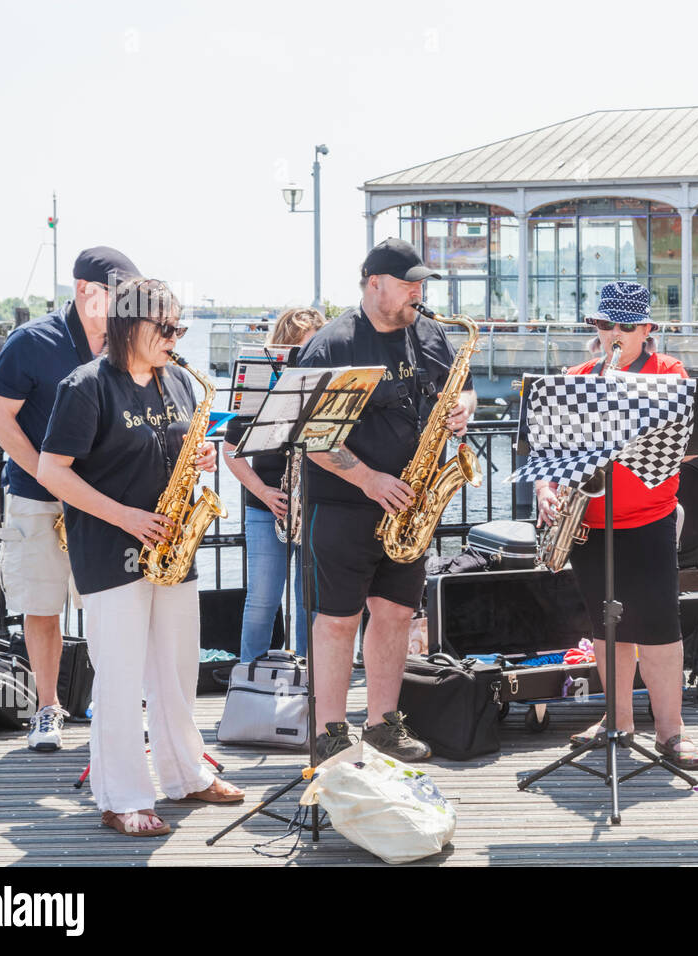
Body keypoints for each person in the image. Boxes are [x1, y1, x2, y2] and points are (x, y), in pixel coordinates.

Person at [37, 278, 243, 837]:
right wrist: (126, 517)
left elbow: (177, 444)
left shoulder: (176, 379)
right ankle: (122, 795)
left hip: (173, 548)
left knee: (178, 672)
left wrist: (197, 456)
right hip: (110, 547)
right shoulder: (85, 387)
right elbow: (52, 471)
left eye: (180, 327)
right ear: (130, 324)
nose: (176, 338)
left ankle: (185, 774)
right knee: (121, 680)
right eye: (166, 328)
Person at [297, 238, 476, 762]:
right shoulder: (332, 345)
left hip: (411, 505)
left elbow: (459, 387)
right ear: (373, 282)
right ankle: (330, 731)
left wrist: (463, 407)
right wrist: (370, 480)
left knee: (396, 614)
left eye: (421, 284)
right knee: (337, 620)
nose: (417, 293)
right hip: (345, 504)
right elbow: (312, 436)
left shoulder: (429, 333)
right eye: (408, 284)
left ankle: (381, 724)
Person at [535, 280, 698, 771]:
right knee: (608, 629)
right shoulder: (576, 375)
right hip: (591, 524)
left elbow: (687, 441)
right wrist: (547, 488)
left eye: (626, 326)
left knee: (659, 628)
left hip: (648, 519)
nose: (615, 334)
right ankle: (619, 720)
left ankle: (671, 732)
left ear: (646, 330)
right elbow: (552, 451)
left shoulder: (667, 371)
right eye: (606, 325)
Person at [0, 246, 140, 752]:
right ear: (83, 291)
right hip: (38, 497)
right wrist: (49, 477)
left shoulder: (125, 342)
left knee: (110, 607)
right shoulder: (31, 342)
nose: (123, 305)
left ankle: (113, 703)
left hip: (103, 499)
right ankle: (48, 708)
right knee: (41, 606)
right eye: (116, 295)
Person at [222, 307, 326, 662]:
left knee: (309, 600)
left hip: (315, 504)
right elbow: (231, 450)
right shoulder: (258, 382)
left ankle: (309, 682)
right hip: (269, 504)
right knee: (262, 600)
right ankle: (248, 680)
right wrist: (264, 493)